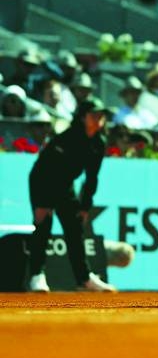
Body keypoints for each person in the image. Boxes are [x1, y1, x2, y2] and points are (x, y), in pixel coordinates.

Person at [26, 98, 117, 292]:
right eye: (94, 114)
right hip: (43, 182)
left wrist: (84, 207)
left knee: (74, 229)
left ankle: (84, 280)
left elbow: (92, 178)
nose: (100, 118)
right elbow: (47, 171)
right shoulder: (65, 139)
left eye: (102, 115)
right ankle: (37, 276)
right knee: (43, 227)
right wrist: (44, 205)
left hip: (65, 185)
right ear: (83, 117)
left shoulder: (98, 144)